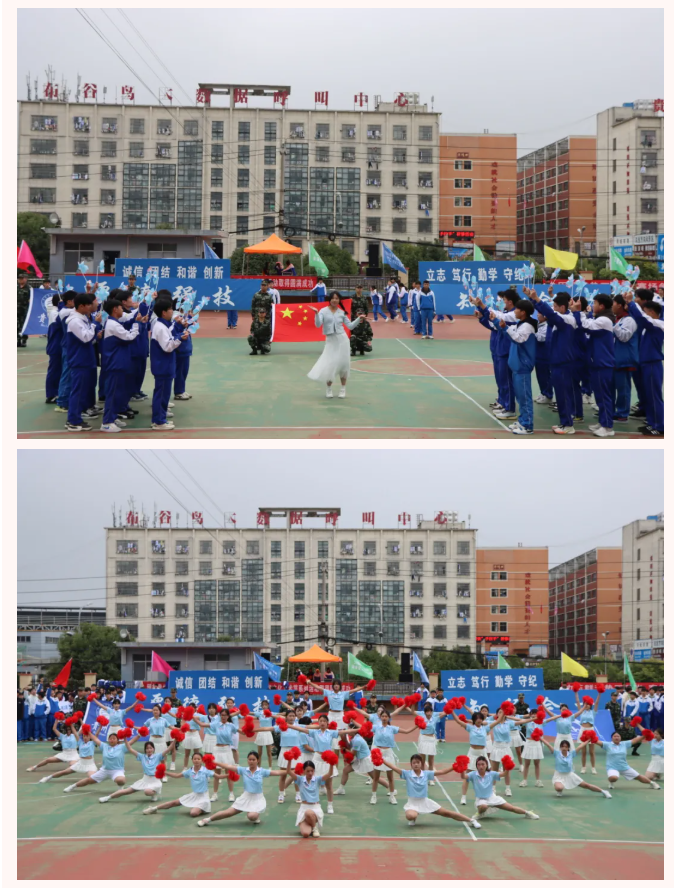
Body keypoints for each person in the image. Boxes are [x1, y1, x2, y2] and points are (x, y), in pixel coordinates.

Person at [382, 754, 481, 830]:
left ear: (421, 764)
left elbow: (442, 772)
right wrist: (382, 760)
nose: (416, 764)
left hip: (425, 801)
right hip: (412, 803)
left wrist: (455, 766)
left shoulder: (426, 774)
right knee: (410, 816)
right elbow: (393, 767)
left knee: (446, 813)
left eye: (418, 762)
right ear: (411, 764)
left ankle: (471, 820)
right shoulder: (407, 774)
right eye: (414, 763)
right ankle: (414, 817)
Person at [529, 286, 578, 435]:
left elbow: (550, 314)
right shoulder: (561, 319)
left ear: (562, 307)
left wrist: (537, 299)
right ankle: (564, 422)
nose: (553, 309)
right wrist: (533, 300)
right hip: (557, 361)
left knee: (564, 394)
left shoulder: (567, 319)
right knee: (561, 394)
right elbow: (549, 315)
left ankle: (568, 424)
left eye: (555, 307)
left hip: (563, 362)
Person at [196, 751, 288, 828]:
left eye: (253, 760)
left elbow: (277, 772)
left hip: (257, 799)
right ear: (247, 760)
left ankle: (254, 814)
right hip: (245, 797)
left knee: (252, 816)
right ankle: (207, 819)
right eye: (250, 759)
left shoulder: (262, 771)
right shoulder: (243, 770)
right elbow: (228, 766)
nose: (251, 761)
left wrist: (291, 772)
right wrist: (215, 762)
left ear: (257, 760)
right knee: (228, 812)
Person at [571, 293, 615, 437]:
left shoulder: (604, 320)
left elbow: (585, 326)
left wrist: (578, 311)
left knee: (604, 396)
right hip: (598, 362)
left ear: (601, 306)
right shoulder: (601, 318)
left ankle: (607, 427)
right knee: (600, 396)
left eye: (595, 303)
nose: (593, 305)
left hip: (603, 363)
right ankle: (603, 422)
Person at [307, 292, 365, 399]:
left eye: (337, 298)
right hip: (331, 341)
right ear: (329, 299)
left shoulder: (341, 312)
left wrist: (359, 319)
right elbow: (318, 324)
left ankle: (343, 389)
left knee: (344, 365)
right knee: (330, 364)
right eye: (333, 298)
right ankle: (329, 389)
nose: (335, 300)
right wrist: (316, 314)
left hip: (343, 340)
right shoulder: (323, 311)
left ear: (339, 300)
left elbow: (350, 326)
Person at [99, 297, 140, 433]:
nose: (123, 310)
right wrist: (136, 325)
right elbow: (129, 337)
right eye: (121, 308)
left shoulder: (114, 323)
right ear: (115, 309)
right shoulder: (113, 325)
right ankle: (107, 422)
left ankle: (113, 417)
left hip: (118, 363)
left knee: (117, 393)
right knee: (113, 393)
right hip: (115, 364)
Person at [626, 292, 664, 436]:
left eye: (646, 311)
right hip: (647, 363)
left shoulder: (658, 324)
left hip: (653, 363)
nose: (645, 314)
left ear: (652, 312)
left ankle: (660, 426)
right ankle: (652, 422)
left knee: (654, 396)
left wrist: (631, 302)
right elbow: (640, 318)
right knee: (649, 395)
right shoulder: (649, 327)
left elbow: (641, 318)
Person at [143, 751, 225, 816]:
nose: (196, 760)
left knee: (193, 813)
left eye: (198, 759)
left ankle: (200, 808)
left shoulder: (205, 771)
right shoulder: (190, 771)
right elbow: (177, 775)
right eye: (195, 759)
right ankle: (154, 809)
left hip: (203, 797)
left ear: (202, 760)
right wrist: (165, 772)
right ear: (192, 760)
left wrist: (228, 775)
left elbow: (219, 776)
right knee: (174, 803)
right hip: (194, 795)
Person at [100, 735, 176, 804]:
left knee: (147, 791)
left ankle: (154, 793)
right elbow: (130, 748)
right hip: (145, 779)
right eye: (147, 748)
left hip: (155, 781)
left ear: (153, 749)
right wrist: (125, 738)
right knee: (127, 791)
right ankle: (108, 797)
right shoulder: (142, 757)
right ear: (145, 750)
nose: (149, 750)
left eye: (150, 748)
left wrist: (175, 739)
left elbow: (169, 748)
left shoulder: (158, 756)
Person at [150, 295, 186, 431]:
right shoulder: (160, 327)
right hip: (162, 366)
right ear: (164, 312)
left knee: (164, 394)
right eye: (170, 309)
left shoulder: (163, 325)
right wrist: (180, 339)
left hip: (165, 365)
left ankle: (161, 417)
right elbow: (168, 347)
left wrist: (178, 335)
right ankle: (158, 421)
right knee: (161, 394)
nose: (172, 311)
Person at [501, 297, 537, 435]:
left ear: (523, 312)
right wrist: (502, 326)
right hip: (517, 366)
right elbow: (511, 335)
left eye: (517, 309)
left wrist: (506, 328)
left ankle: (527, 425)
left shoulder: (527, 326)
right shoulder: (521, 324)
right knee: (520, 396)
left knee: (524, 397)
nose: (514, 311)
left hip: (523, 366)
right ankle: (522, 420)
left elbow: (518, 339)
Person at [63, 293, 99, 431]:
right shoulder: (75, 321)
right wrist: (95, 325)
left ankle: (77, 417)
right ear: (81, 306)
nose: (91, 307)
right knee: (78, 391)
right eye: (89, 305)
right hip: (79, 361)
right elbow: (85, 337)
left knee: (82, 390)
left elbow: (88, 338)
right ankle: (73, 420)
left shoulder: (82, 319)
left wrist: (96, 334)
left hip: (85, 359)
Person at [467, 756, 539, 820]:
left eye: (483, 764)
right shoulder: (473, 774)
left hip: (492, 797)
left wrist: (507, 767)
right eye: (479, 764)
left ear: (486, 765)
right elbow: (464, 776)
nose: (481, 766)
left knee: (511, 808)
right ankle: (479, 813)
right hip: (481, 799)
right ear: (476, 766)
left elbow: (504, 774)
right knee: (483, 806)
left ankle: (528, 813)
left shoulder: (491, 773)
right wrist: (462, 769)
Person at [370, 706, 417, 804]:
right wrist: (353, 721)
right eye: (382, 716)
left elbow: (407, 731)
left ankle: (392, 796)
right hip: (378, 753)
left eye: (386, 716)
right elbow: (363, 728)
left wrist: (417, 725)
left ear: (389, 718)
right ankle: (373, 796)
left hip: (388, 753)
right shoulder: (375, 727)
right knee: (376, 777)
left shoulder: (392, 728)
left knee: (390, 777)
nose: (384, 718)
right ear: (380, 717)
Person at [63, 723, 128, 794]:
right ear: (108, 740)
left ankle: (120, 787)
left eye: (114, 738)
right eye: (110, 738)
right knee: (89, 780)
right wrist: (88, 731)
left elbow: (131, 742)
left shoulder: (122, 747)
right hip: (104, 770)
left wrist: (137, 735)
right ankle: (73, 786)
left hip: (117, 770)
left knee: (121, 780)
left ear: (117, 740)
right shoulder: (104, 746)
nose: (112, 740)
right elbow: (95, 738)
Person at [540, 737, 611, 798]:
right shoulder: (556, 753)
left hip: (569, 775)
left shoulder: (571, 754)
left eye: (566, 747)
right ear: (560, 747)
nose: (564, 748)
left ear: (568, 748)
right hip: (558, 775)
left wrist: (588, 740)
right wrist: (540, 738)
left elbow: (580, 746)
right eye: (562, 746)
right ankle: (559, 791)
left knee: (586, 785)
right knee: (559, 788)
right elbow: (548, 744)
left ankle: (603, 791)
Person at [612, 294, 639, 422]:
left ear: (620, 305)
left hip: (624, 359)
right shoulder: (618, 319)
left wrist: (614, 325)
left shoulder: (629, 320)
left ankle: (623, 413)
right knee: (613, 387)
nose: (612, 306)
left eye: (613, 303)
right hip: (615, 358)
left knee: (623, 388)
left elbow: (624, 337)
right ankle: (614, 410)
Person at [293, 758, 335, 837]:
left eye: (312, 771)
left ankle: (315, 827)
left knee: (308, 813)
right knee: (305, 834)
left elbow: (330, 773)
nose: (310, 773)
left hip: (315, 808)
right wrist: (289, 761)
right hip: (303, 808)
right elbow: (289, 772)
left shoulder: (317, 779)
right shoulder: (300, 779)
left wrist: (332, 763)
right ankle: (311, 825)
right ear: (304, 771)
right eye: (308, 771)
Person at [334, 730, 374, 794]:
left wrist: (345, 750)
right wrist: (343, 737)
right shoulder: (354, 738)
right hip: (360, 759)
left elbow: (353, 753)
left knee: (375, 777)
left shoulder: (357, 740)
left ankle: (389, 787)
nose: (348, 731)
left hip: (365, 760)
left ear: (354, 731)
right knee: (345, 770)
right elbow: (349, 746)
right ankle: (341, 789)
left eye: (350, 730)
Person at [573, 690, 601, 773]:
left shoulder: (593, 712)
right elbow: (577, 701)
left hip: (590, 731)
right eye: (585, 704)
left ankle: (593, 768)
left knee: (591, 752)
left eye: (588, 704)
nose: (587, 705)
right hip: (583, 731)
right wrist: (576, 692)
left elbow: (597, 702)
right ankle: (583, 768)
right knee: (583, 752)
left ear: (590, 705)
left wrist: (599, 693)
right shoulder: (581, 712)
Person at [45, 294, 63, 404]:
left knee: (59, 371)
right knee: (54, 371)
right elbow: (61, 319)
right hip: (55, 346)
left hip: (59, 346)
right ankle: (51, 395)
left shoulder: (57, 311)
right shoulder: (54, 312)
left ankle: (57, 392)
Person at [350, 285, 373, 356]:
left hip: (362, 317)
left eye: (360, 288)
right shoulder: (352, 298)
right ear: (355, 289)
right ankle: (353, 349)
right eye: (358, 288)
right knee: (353, 335)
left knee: (363, 333)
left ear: (362, 289)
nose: (359, 289)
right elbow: (349, 308)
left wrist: (364, 317)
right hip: (354, 318)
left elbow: (366, 309)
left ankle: (361, 348)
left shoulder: (364, 298)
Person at [17, 272, 30, 347]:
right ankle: (18, 340)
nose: (20, 280)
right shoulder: (16, 287)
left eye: (22, 278)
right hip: (16, 309)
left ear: (25, 279)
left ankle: (24, 340)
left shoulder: (29, 288)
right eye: (19, 278)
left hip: (24, 310)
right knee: (16, 325)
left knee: (24, 325)